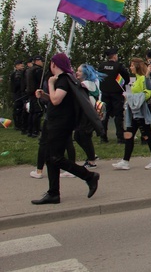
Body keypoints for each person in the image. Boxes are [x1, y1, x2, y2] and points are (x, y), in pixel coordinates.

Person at [31, 53, 100, 205]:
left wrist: (50, 83)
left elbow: (56, 101)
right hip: (55, 122)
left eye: (51, 64)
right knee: (50, 158)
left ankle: (89, 176)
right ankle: (53, 193)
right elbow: (56, 99)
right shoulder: (65, 80)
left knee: (56, 158)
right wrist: (44, 96)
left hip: (60, 125)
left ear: (54, 65)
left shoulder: (63, 80)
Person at [113, 58, 151, 170]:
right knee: (129, 134)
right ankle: (125, 161)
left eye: (132, 66)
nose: (130, 68)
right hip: (134, 111)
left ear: (137, 66)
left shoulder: (143, 79)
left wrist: (132, 98)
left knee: (147, 135)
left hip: (142, 112)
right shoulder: (136, 79)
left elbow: (148, 92)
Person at [98, 47, 130, 144]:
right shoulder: (119, 66)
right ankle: (120, 137)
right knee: (118, 115)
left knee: (104, 115)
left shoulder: (101, 66)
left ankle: (103, 137)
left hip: (105, 93)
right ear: (115, 56)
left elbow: (99, 77)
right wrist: (120, 82)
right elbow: (127, 79)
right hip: (116, 94)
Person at [74, 64, 103, 169]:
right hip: (86, 114)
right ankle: (91, 155)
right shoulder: (87, 84)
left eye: (79, 71)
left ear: (86, 74)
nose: (77, 73)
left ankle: (91, 161)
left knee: (84, 136)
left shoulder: (86, 84)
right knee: (78, 136)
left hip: (87, 115)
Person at [26, 55, 45, 138]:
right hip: (36, 92)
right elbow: (41, 81)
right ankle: (35, 131)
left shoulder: (29, 70)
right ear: (37, 61)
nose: (43, 63)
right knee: (37, 112)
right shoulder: (38, 70)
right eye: (42, 61)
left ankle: (30, 130)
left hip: (30, 92)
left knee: (32, 112)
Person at [11, 60, 25, 133]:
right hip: (17, 94)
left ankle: (19, 124)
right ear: (16, 66)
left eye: (22, 64)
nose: (22, 65)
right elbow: (16, 85)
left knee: (21, 109)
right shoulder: (16, 74)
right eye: (20, 64)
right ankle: (17, 125)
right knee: (18, 109)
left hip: (19, 93)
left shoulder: (21, 73)